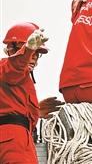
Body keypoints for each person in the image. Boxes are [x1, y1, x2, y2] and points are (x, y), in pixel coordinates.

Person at [0, 22, 64, 163]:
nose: (34, 56)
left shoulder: (19, 78)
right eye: (32, 51)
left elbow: (9, 107)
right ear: (11, 49)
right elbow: (14, 68)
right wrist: (27, 49)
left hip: (20, 139)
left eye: (37, 53)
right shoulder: (7, 67)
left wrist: (36, 111)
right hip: (13, 142)